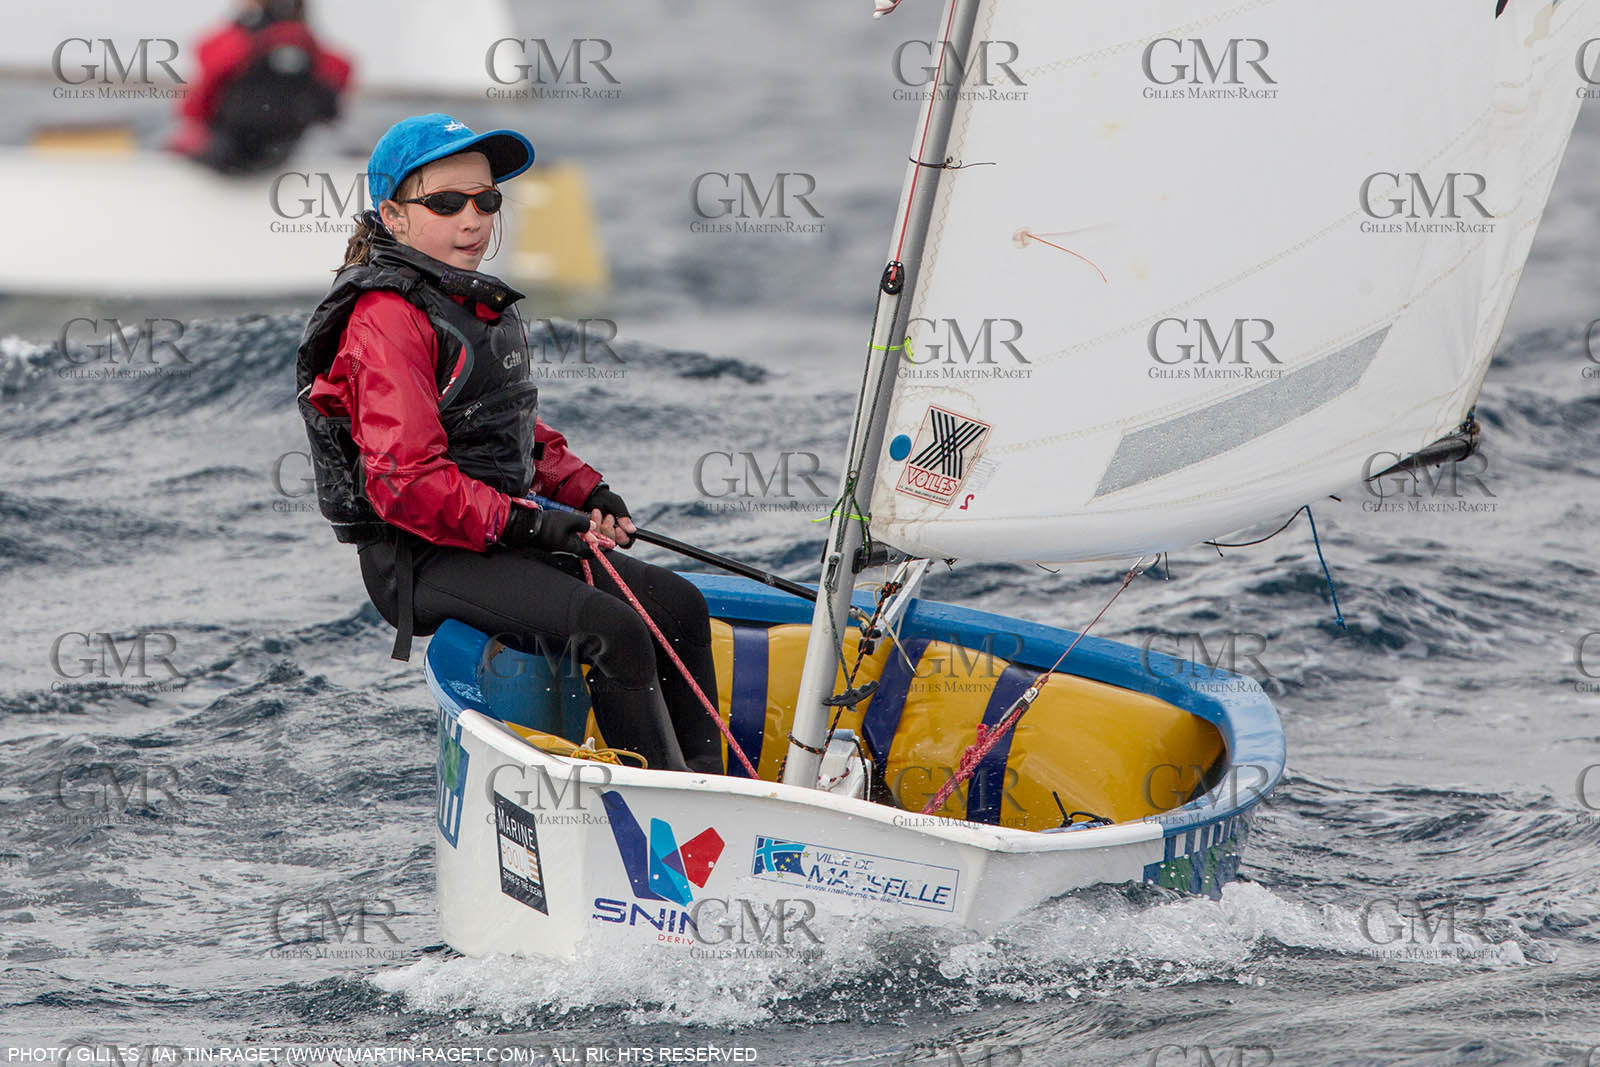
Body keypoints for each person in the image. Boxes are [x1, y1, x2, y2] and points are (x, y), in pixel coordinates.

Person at [295, 114, 723, 775]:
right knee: (612, 630)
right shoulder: (385, 318)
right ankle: (657, 820)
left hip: (493, 529)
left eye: (486, 200)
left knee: (678, 606)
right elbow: (405, 483)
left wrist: (586, 491)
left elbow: (509, 428)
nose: (474, 219)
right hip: (419, 555)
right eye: (446, 203)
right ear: (393, 215)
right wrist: (532, 525)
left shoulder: (467, 298)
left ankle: (711, 790)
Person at [169, 0, 353, 175]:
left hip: (235, 150)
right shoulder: (309, 46)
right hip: (292, 147)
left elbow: (194, 108)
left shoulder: (232, 44)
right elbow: (341, 76)